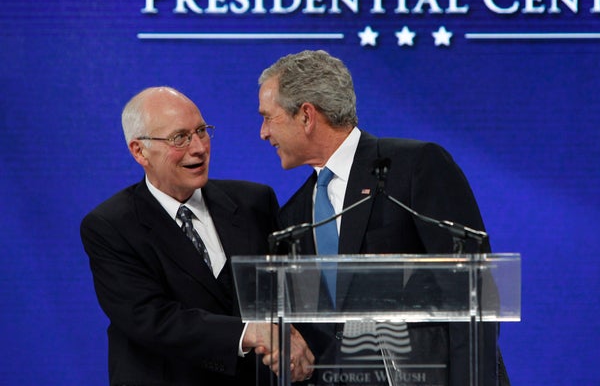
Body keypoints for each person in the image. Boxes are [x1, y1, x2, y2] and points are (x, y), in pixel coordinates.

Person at [258, 50, 510, 386]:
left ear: (306, 115)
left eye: (268, 117)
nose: (263, 133)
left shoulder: (414, 167)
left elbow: (472, 290)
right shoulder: (295, 216)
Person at [80, 86, 314, 386]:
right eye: (180, 138)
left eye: (202, 131)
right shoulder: (111, 226)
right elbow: (151, 318)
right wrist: (248, 332)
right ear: (139, 151)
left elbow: (289, 293)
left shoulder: (254, 202)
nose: (199, 148)